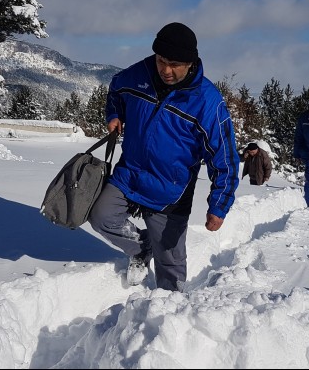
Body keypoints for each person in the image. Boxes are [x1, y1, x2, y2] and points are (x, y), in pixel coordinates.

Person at [88, 22, 240, 292]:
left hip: (171, 190)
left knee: (169, 260)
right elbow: (115, 91)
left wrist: (219, 206)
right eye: (161, 60)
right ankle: (143, 247)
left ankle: (171, 311)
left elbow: (225, 158)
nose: (166, 70)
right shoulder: (138, 75)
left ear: (190, 62)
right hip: (130, 174)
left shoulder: (207, 101)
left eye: (175, 64)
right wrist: (114, 115)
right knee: (101, 217)